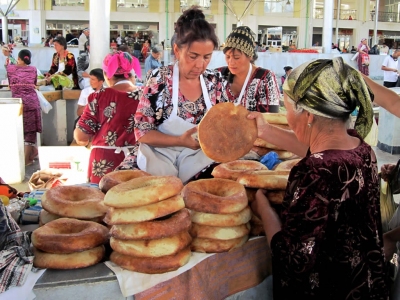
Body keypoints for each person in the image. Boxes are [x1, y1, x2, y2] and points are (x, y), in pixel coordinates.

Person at [249, 57, 388, 299]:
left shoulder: (313, 173)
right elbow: (325, 157)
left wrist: (264, 208)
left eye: (288, 109)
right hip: (366, 285)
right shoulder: (362, 150)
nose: (288, 119)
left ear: (310, 115)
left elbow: (293, 258)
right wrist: (266, 131)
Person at [117, 6, 222, 183]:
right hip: (158, 156)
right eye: (193, 56)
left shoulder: (215, 81)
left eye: (207, 57)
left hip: (199, 160)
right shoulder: (159, 80)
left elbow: (221, 126)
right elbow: (142, 133)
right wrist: (180, 140)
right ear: (177, 50)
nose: (200, 65)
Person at [74, 51, 141, 183]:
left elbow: (81, 136)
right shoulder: (146, 95)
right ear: (132, 74)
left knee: (102, 199)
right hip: (139, 160)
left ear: (106, 75)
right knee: (135, 198)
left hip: (104, 163)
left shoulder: (98, 96)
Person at [218, 26, 281, 112]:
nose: (231, 62)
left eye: (236, 57)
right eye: (227, 57)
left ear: (250, 56)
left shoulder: (265, 78)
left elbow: (270, 118)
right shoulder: (218, 75)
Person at [4, 49, 42, 166]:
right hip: (32, 103)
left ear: (19, 59)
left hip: (18, 105)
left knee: (19, 131)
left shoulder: (11, 69)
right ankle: (27, 159)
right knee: (30, 133)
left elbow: (9, 66)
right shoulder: (33, 69)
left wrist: (8, 54)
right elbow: (34, 84)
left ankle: (25, 158)